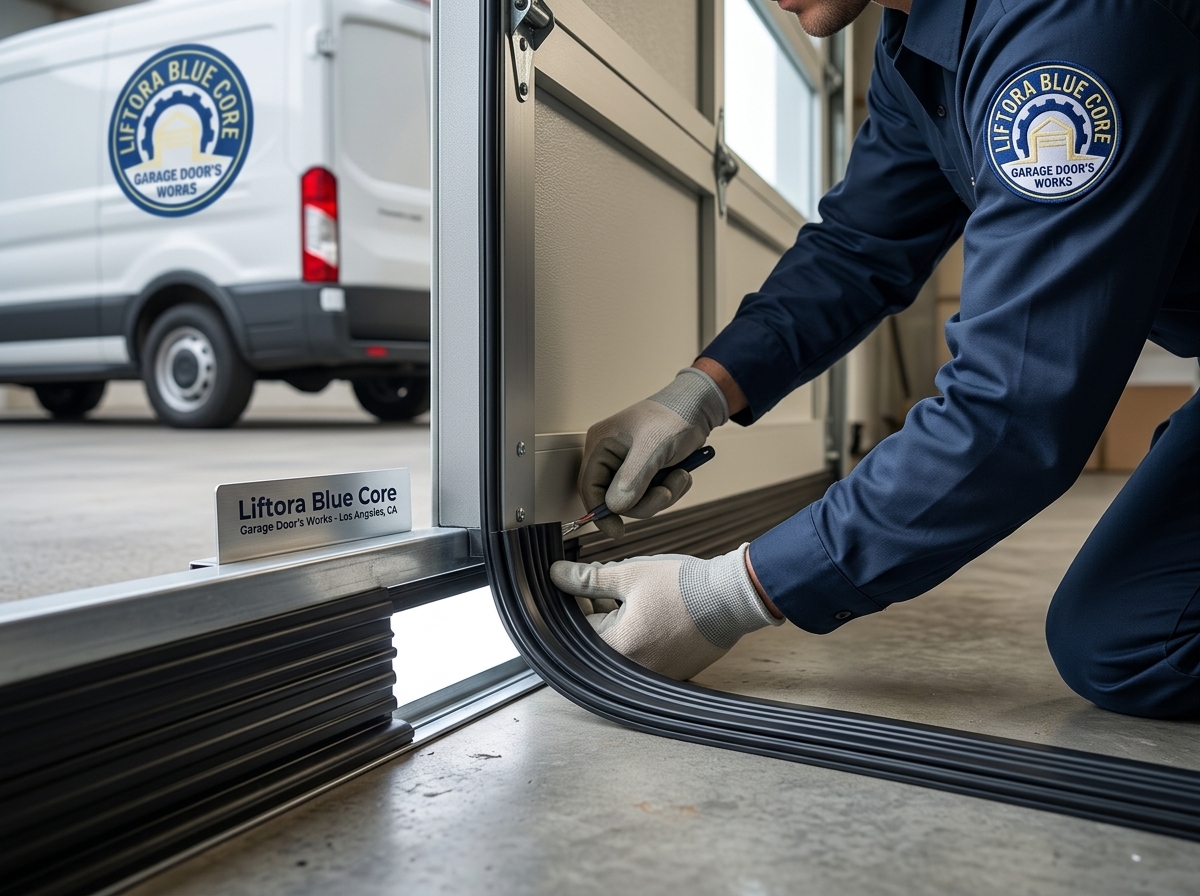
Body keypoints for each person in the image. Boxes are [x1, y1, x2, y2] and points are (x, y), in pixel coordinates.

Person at [550, 0, 1200, 719]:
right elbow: (860, 248)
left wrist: (731, 595)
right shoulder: (916, 46)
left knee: (1138, 641)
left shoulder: (1069, 34)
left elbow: (1013, 410)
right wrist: (698, 394)